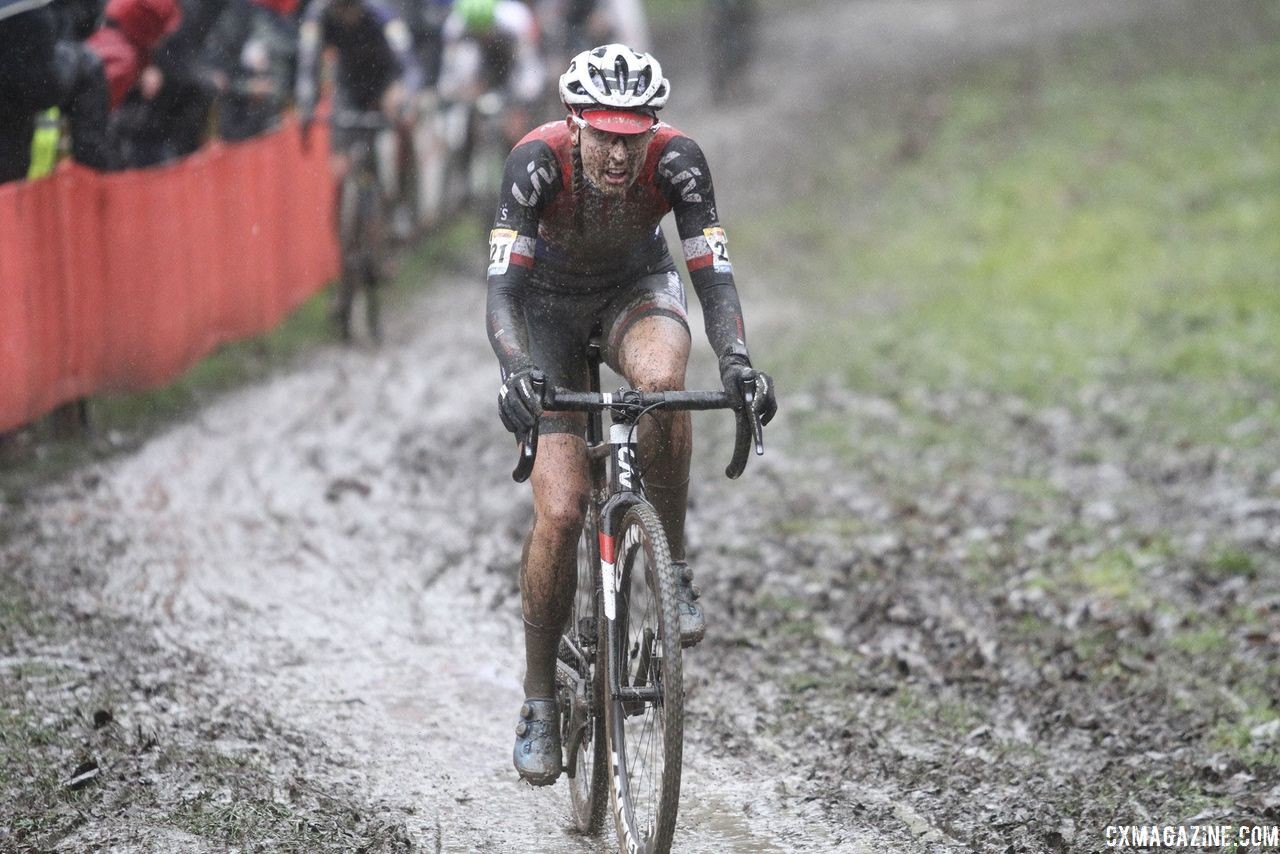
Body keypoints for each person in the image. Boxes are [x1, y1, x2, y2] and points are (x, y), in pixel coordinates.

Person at [485, 43, 776, 785]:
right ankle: (540, 698)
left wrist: (738, 362)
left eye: (633, 133)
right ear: (575, 122)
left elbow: (714, 277)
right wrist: (519, 372)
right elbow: (502, 296)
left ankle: (672, 566)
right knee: (561, 510)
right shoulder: (535, 163)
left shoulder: (677, 162)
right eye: (605, 133)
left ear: (654, 127)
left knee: (666, 380)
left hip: (635, 290)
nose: (619, 152)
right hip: (545, 312)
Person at [436, 0, 544, 148]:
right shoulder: (455, 26)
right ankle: (461, 157)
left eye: (484, 29)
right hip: (478, 71)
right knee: (455, 130)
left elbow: (529, 68)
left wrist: (522, 103)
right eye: (476, 30)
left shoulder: (514, 21)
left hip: (509, 69)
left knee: (516, 124)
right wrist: (456, 93)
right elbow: (450, 71)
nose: (481, 34)